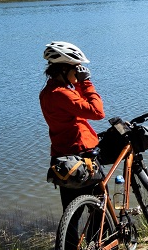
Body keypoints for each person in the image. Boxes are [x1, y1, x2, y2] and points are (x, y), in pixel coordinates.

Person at [40, 41, 106, 210]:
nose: (79, 72)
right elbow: (97, 112)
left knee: (71, 212)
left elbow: (74, 106)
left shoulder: (48, 93)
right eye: (76, 68)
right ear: (64, 69)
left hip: (63, 158)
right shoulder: (63, 95)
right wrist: (86, 83)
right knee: (98, 211)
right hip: (82, 156)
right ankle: (102, 236)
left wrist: (75, 83)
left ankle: (68, 238)